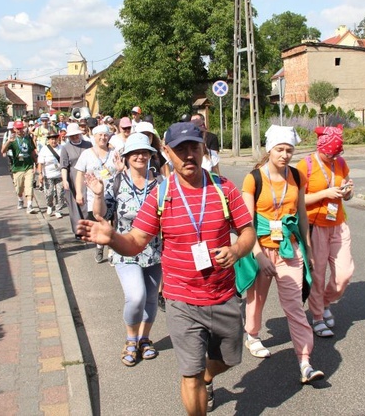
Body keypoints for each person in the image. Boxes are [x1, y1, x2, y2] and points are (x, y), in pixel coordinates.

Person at [76, 121, 256, 415]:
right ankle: (200, 382)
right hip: (181, 300)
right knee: (190, 374)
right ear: (167, 152)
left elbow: (248, 231)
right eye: (180, 149)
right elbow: (135, 242)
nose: (188, 155)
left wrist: (236, 250)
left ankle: (209, 377)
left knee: (229, 359)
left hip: (223, 294)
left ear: (203, 150)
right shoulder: (160, 196)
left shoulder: (224, 189)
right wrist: (112, 239)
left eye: (193, 148)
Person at [239, 125, 323, 384]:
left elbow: (302, 216)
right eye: (280, 149)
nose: (285, 155)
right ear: (270, 150)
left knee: (294, 305)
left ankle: (305, 361)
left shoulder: (297, 177)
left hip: (289, 248)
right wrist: (257, 255)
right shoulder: (254, 178)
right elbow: (246, 221)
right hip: (260, 248)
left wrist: (307, 249)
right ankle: (252, 335)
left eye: (289, 150)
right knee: (257, 299)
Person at [86, 133, 164, 367]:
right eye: (135, 153)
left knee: (151, 297)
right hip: (124, 250)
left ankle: (144, 339)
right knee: (136, 296)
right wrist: (98, 194)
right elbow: (102, 214)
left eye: (144, 152)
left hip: (155, 250)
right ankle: (131, 339)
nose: (140, 156)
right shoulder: (116, 181)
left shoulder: (161, 183)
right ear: (127, 157)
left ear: (151, 155)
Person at [296, 125, 355, 338]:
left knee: (344, 273)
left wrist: (347, 192)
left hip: (338, 223)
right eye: (329, 153)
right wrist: (325, 193)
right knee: (318, 274)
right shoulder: (306, 165)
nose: (333, 157)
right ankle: (318, 316)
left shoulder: (340, 162)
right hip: (316, 226)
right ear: (320, 147)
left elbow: (347, 188)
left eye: (336, 153)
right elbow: (297, 200)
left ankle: (325, 301)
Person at [75, 124, 120, 263]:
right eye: (100, 135)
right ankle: (100, 246)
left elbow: (121, 170)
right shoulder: (86, 154)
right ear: (94, 137)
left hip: (114, 193)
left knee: (113, 222)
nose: (103, 137)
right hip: (94, 196)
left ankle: (112, 252)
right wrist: (78, 193)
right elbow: (80, 174)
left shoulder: (114, 153)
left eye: (105, 135)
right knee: (100, 221)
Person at [60, 122, 93, 236]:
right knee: (75, 206)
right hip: (73, 178)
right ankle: (78, 230)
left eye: (76, 135)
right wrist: (65, 180)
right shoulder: (65, 148)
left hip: (88, 177)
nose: (74, 137)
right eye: (72, 136)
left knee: (88, 203)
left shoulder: (88, 145)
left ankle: (89, 228)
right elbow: (64, 166)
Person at [0, 120, 39, 213]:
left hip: (28, 166)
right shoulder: (12, 140)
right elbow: (3, 151)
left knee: (29, 186)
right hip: (17, 168)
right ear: (14, 129)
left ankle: (29, 205)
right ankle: (20, 199)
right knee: (19, 188)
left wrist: (37, 164)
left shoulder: (28, 138)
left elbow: (33, 152)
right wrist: (8, 141)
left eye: (21, 128)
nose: (19, 130)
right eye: (17, 128)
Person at [37, 131, 66, 218]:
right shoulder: (44, 149)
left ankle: (58, 210)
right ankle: (49, 205)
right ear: (48, 140)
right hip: (48, 175)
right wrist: (40, 174)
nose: (54, 141)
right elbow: (40, 163)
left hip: (60, 175)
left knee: (60, 193)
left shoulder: (62, 148)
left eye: (55, 139)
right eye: (52, 139)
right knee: (49, 193)